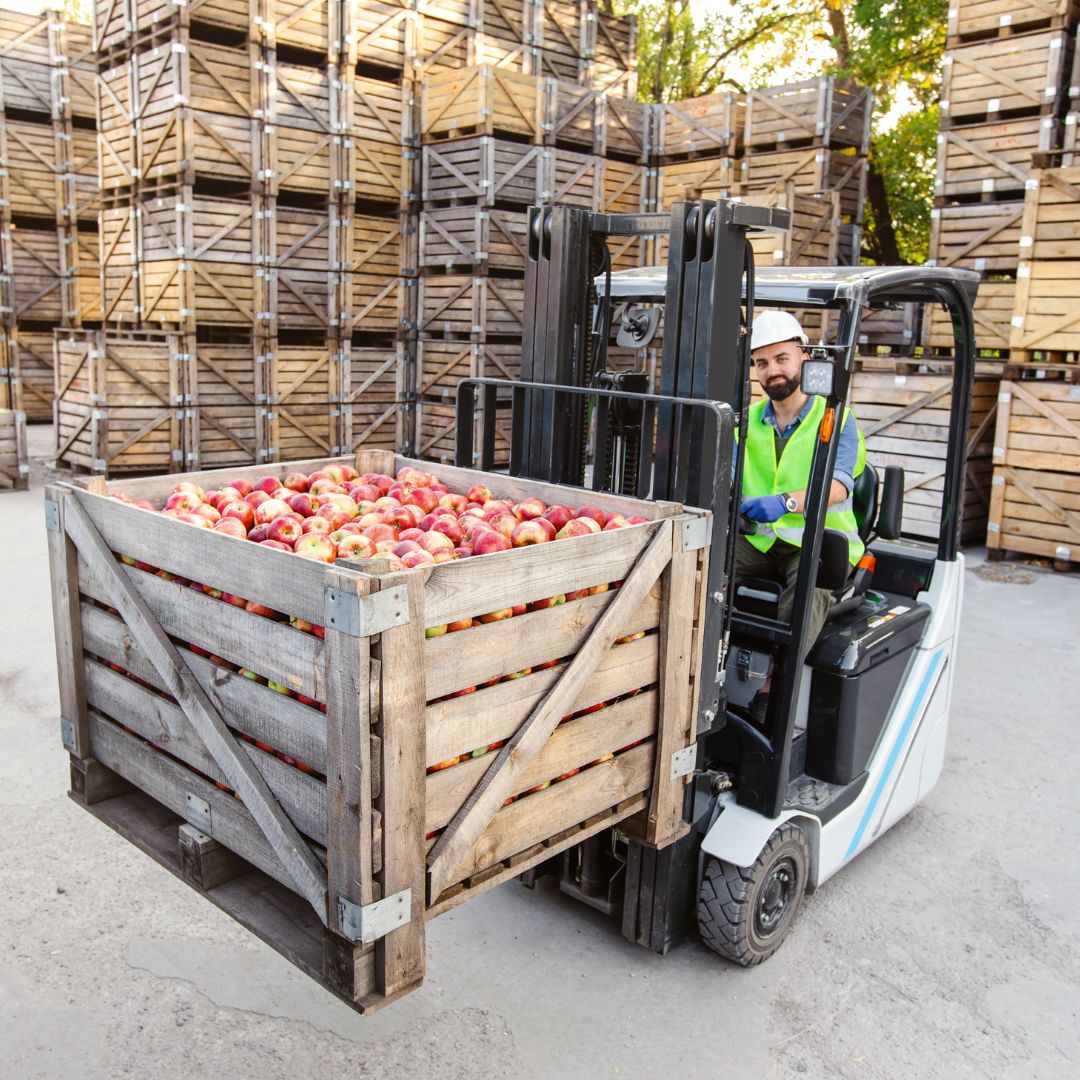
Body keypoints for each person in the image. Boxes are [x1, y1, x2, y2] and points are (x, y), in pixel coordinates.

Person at [735, 310, 866, 718]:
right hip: (759, 538)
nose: (772, 370)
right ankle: (704, 664)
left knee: (809, 579)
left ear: (805, 358)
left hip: (819, 541)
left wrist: (787, 502)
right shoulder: (746, 421)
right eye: (762, 362)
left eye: (781, 358)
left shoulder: (836, 417)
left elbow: (840, 483)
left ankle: (775, 689)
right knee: (699, 561)